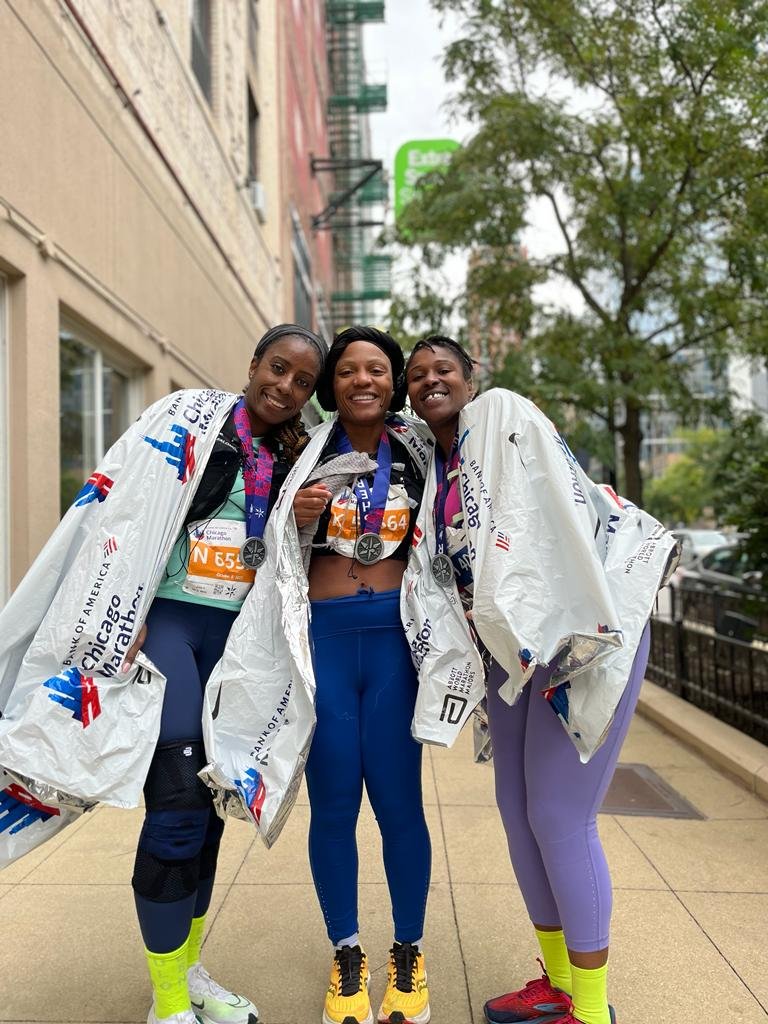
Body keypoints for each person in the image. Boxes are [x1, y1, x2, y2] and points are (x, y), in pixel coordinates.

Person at [0, 324, 327, 1024]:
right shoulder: (188, 420)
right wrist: (125, 599)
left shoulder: (301, 455)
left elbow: (291, 568)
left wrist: (300, 522)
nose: (285, 387)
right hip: (169, 631)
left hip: (239, 644)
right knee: (177, 807)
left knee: (210, 814)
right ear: (252, 364)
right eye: (277, 368)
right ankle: (170, 1006)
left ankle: (188, 973)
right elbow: (125, 513)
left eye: (302, 382)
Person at [404, 335, 667, 1024]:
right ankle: (555, 984)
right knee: (520, 816)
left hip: (576, 632)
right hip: (510, 651)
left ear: (472, 378)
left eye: (445, 370)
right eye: (418, 375)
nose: (430, 380)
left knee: (559, 816)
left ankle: (593, 1009)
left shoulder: (500, 415)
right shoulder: (441, 463)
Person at [292, 326, 432, 1024]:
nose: (363, 380)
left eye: (377, 368)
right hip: (323, 639)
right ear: (332, 384)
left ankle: (409, 951)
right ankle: (347, 954)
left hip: (393, 645)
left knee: (400, 804)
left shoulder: (420, 447)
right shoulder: (303, 449)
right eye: (348, 370)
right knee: (335, 803)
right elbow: (255, 530)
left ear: (395, 378)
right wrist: (293, 514)